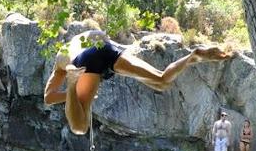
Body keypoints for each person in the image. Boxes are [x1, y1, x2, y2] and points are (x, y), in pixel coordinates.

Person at [44, 30, 230, 135]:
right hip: (107, 48)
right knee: (162, 80)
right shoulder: (81, 38)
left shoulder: (62, 56)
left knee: (79, 127)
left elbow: (48, 96)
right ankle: (192, 56)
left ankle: (71, 83)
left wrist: (72, 91)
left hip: (85, 60)